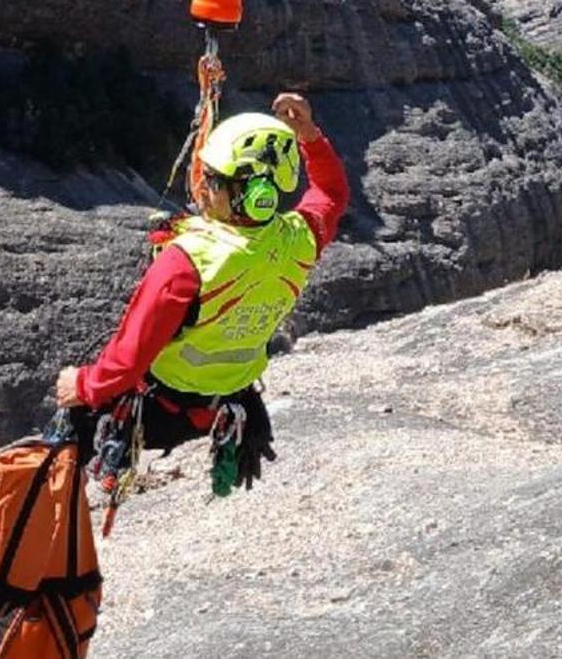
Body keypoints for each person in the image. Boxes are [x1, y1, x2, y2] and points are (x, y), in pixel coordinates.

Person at [54, 92, 349, 490]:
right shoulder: (301, 240)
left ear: (252, 194)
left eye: (212, 181)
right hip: (228, 402)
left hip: (160, 408)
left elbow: (129, 361)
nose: (202, 189)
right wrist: (310, 136)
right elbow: (331, 194)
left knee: (62, 437)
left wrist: (82, 385)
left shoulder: (187, 262)